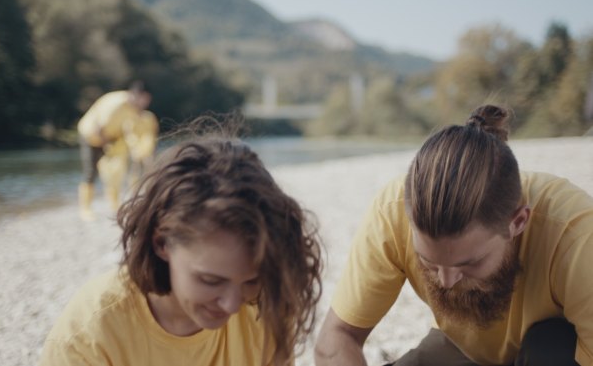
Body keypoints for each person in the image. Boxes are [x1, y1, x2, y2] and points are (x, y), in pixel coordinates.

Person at [314, 104, 592, 366]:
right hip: (460, 350)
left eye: (468, 264)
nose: (445, 282)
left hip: (555, 354)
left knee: (549, 342)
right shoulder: (393, 213)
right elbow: (337, 338)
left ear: (517, 223)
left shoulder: (578, 239)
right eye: (429, 263)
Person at [40, 125, 323, 366]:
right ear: (162, 243)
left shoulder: (265, 305)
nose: (233, 304)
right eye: (211, 280)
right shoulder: (91, 332)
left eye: (252, 280)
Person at [77, 81, 159, 220]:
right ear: (136, 95)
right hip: (91, 136)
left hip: (113, 138)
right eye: (144, 100)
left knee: (116, 171)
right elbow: (99, 127)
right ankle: (85, 209)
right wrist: (107, 148)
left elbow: (133, 130)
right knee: (91, 171)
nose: (146, 104)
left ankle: (114, 204)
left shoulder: (134, 110)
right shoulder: (116, 103)